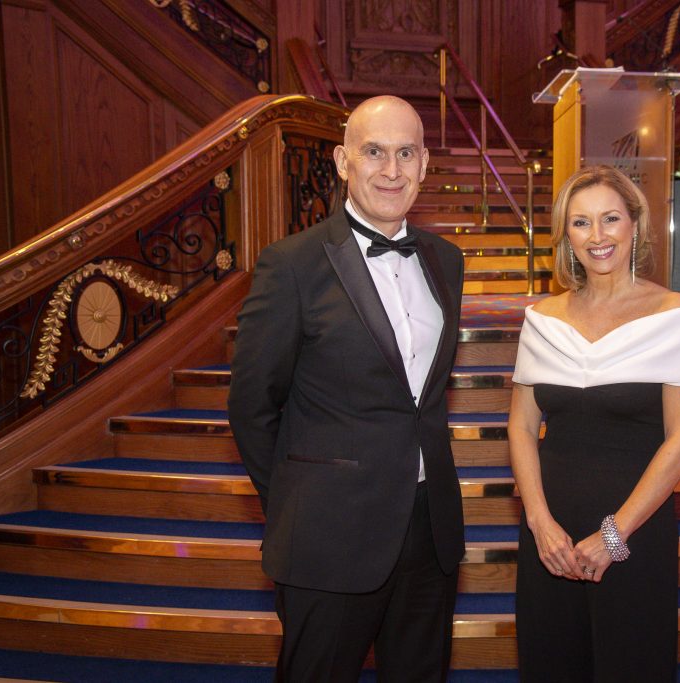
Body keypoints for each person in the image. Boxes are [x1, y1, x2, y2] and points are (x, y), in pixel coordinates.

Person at [227, 95, 465, 682]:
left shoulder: (447, 260)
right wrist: (298, 502)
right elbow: (252, 406)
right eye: (374, 152)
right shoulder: (291, 264)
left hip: (428, 530)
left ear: (424, 164)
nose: (392, 170)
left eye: (406, 153)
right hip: (328, 534)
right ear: (342, 161)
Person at [508, 165, 680, 682]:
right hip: (549, 537)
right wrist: (539, 522)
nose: (597, 236)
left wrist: (613, 536)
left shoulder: (675, 315)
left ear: (635, 224)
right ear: (566, 235)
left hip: (635, 531)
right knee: (551, 666)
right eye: (581, 222)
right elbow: (521, 427)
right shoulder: (542, 319)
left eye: (610, 219)